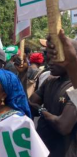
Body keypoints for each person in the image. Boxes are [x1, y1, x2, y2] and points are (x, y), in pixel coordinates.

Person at [29, 29, 77, 157]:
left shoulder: (73, 88)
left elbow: (63, 126)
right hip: (42, 150)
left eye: (55, 59)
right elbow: (30, 104)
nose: (49, 63)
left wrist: (41, 111)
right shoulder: (50, 81)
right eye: (47, 59)